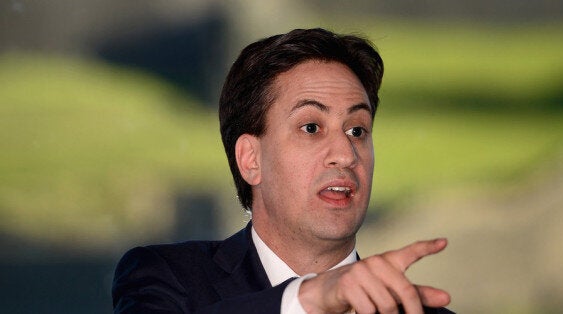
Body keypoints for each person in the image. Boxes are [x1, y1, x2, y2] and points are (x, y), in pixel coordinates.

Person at [112, 28, 453, 314]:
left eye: (357, 130)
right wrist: (308, 298)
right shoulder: (166, 277)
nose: (345, 154)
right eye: (311, 127)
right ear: (251, 160)